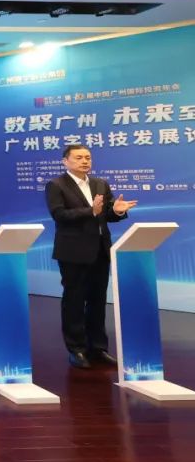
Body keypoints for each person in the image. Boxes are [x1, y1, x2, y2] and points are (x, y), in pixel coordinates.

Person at [45, 144, 136, 369]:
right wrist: (91, 211)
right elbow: (59, 215)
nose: (85, 161)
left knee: (97, 301)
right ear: (65, 161)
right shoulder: (56, 185)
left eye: (87, 157)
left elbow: (107, 215)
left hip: (100, 251)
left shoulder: (100, 183)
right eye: (78, 158)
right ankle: (76, 349)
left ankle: (98, 348)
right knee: (74, 300)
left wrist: (117, 210)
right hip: (73, 252)